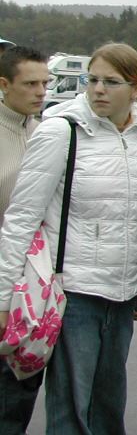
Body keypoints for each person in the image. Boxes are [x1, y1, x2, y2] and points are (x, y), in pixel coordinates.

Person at [0, 42, 137, 434]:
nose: (98, 89)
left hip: (121, 296)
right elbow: (21, 219)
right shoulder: (61, 131)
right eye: (92, 80)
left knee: (108, 411)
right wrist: (3, 299)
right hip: (74, 294)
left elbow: (133, 219)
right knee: (72, 414)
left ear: (136, 89)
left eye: (111, 82)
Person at [0, 46, 49, 434]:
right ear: (4, 84)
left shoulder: (44, 133)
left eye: (46, 83)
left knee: (18, 393)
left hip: (30, 284)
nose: (41, 92)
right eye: (30, 83)